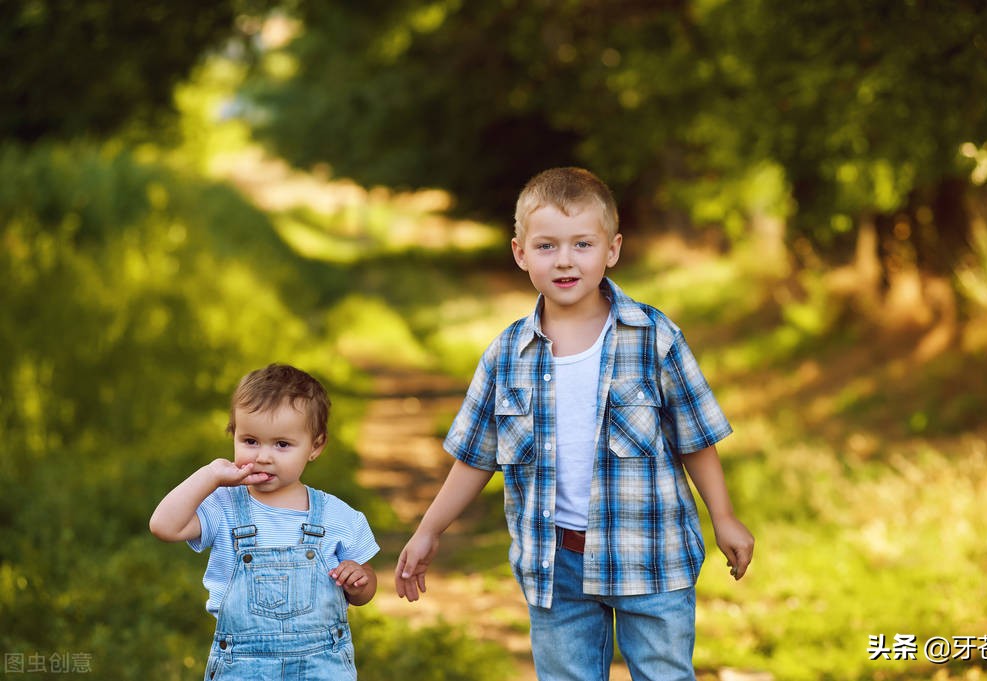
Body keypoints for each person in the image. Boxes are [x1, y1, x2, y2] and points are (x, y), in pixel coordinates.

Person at [395, 167, 754, 681]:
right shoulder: (507, 356)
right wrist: (429, 530)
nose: (565, 260)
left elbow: (695, 438)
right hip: (553, 564)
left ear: (612, 249)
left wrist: (724, 517)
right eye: (546, 246)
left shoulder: (653, 338)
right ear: (520, 253)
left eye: (582, 244)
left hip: (649, 553)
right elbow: (476, 456)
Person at [151, 363, 379, 681]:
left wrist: (360, 580)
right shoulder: (224, 506)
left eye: (282, 444)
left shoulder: (337, 516)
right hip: (243, 668)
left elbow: (365, 587)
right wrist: (211, 475)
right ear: (234, 436)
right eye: (250, 441)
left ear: (316, 446)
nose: (263, 456)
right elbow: (163, 526)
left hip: (321, 667)